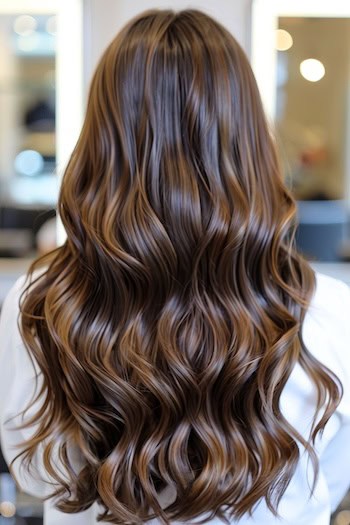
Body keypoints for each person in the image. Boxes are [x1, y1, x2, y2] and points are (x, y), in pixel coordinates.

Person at [0, 9, 349, 525]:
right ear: (249, 139)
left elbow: (33, 472)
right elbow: (328, 485)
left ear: (102, 139)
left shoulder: (42, 301)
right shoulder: (331, 313)